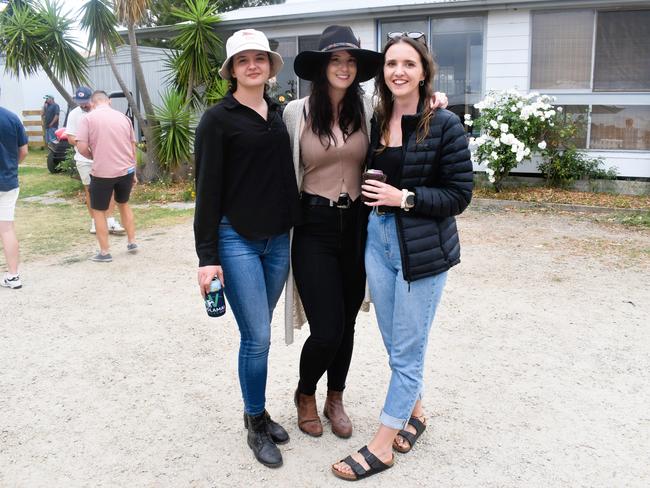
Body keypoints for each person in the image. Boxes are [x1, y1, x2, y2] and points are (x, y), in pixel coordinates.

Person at [283, 25, 449, 440]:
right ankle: (305, 393)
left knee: (350, 323)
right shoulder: (295, 112)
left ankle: (334, 397)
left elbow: (405, 117)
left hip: (357, 225)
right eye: (335, 60)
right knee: (327, 328)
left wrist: (433, 100)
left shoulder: (368, 113)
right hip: (313, 225)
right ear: (322, 67)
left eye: (350, 60)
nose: (343, 67)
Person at [331, 32, 473, 481]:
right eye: (391, 64)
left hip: (422, 251)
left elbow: (459, 195)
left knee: (408, 351)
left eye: (408, 64)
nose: (398, 71)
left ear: (424, 71)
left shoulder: (444, 123)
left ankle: (381, 446)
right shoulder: (378, 117)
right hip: (378, 240)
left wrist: (404, 197)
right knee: (395, 343)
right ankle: (416, 414)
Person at [193, 29, 301, 469]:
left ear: (271, 67)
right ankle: (255, 421)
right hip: (235, 238)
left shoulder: (279, 115)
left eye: (260, 58)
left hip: (279, 242)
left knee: (262, 332)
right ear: (232, 70)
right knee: (256, 336)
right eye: (243, 60)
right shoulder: (217, 120)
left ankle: (256, 409)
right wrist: (207, 259)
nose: (252, 65)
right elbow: (206, 190)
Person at [76, 91, 138, 263]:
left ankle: (105, 252)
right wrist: (134, 170)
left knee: (98, 211)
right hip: (126, 170)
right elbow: (133, 146)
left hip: (102, 172)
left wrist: (93, 156)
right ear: (109, 101)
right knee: (124, 204)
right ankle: (132, 241)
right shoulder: (123, 118)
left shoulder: (87, 119)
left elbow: (81, 147)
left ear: (93, 103)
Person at [65, 86, 125, 236]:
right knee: (89, 190)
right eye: (80, 102)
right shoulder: (74, 114)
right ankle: (94, 221)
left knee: (109, 188)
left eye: (86, 101)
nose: (83, 105)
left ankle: (110, 219)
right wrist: (85, 144)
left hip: (104, 157)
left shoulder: (102, 113)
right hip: (84, 158)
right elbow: (70, 137)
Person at [0, 94, 29, 289]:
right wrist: (12, 165)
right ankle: (13, 275)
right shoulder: (11, 117)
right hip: (8, 182)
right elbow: (24, 151)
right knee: (7, 229)